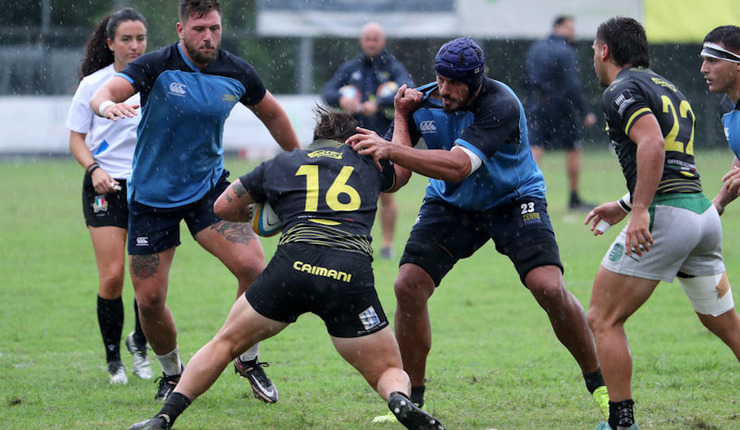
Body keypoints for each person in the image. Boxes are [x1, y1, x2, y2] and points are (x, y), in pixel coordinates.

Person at [127, 107, 445, 430]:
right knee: (387, 369)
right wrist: (402, 116)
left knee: (223, 345)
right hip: (348, 275)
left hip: (291, 269)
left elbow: (222, 205)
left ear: (315, 140)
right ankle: (399, 400)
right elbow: (402, 175)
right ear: (353, 140)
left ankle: (164, 417)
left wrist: (260, 217)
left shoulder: (283, 163)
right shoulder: (367, 161)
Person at [349, 37, 608, 421]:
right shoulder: (422, 101)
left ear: (477, 80)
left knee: (549, 287)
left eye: (455, 83)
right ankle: (410, 400)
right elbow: (398, 177)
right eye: (440, 79)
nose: (445, 90)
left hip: (513, 198)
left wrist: (391, 148)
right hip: (452, 204)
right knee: (408, 285)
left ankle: (601, 386)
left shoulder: (500, 103)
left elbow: (458, 165)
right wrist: (401, 119)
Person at [89, 0, 300, 403]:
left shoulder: (236, 71)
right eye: (200, 28)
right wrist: (106, 106)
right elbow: (107, 90)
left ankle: (247, 357)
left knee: (256, 269)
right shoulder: (156, 65)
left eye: (215, 29)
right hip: (152, 198)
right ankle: (172, 372)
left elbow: (272, 114)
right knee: (149, 301)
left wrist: (300, 164)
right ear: (181, 28)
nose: (208, 37)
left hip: (209, 192)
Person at [585, 17, 740, 430]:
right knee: (726, 327)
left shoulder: (619, 89)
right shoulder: (667, 86)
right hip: (702, 215)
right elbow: (673, 158)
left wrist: (638, 212)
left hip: (666, 216)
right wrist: (624, 203)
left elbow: (652, 144)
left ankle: (621, 422)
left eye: (593, 52)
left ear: (604, 51)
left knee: (602, 317)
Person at [65, 7, 152, 385]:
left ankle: (141, 347)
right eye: (126, 39)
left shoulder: (157, 80)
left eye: (141, 39)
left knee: (148, 281)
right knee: (114, 276)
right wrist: (94, 170)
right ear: (110, 44)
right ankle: (114, 359)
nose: (135, 46)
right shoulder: (93, 86)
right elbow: (75, 139)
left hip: (149, 188)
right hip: (106, 187)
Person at [321, 22, 415, 259]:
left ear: (382, 41)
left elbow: (409, 89)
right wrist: (343, 101)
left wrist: (381, 104)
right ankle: (346, 241)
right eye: (368, 39)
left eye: (376, 39)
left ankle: (386, 245)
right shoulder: (351, 68)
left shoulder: (393, 68)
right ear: (361, 41)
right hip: (351, 139)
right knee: (344, 191)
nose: (371, 43)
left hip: (383, 140)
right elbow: (328, 92)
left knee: (386, 193)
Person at [526, 15, 598, 211]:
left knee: (535, 149)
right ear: (558, 27)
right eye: (570, 27)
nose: (573, 31)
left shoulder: (536, 48)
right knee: (573, 148)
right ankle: (574, 199)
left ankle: (527, 197)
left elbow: (529, 79)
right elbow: (572, 85)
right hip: (562, 108)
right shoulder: (566, 51)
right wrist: (585, 112)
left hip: (538, 105)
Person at [700, 25, 740, 215]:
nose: (703, 69)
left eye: (712, 61)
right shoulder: (726, 106)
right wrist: (718, 203)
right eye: (704, 60)